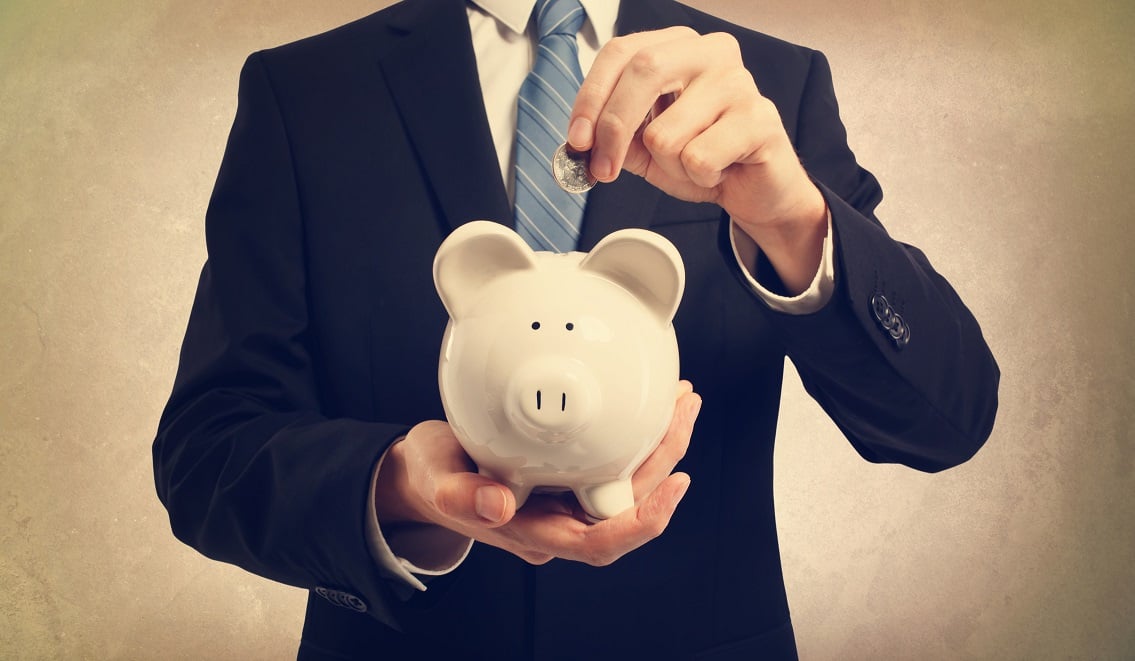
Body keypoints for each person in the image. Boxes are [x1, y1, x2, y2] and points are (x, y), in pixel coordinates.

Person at [152, 0, 1000, 658]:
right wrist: (396, 488)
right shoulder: (304, 94)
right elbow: (207, 453)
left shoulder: (765, 87)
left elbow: (946, 420)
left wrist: (793, 222)